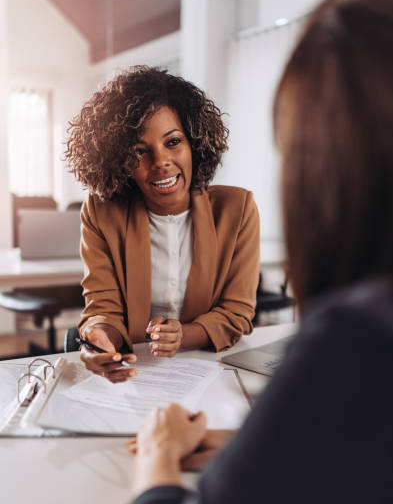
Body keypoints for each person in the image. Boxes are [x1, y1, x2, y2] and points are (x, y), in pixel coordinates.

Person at [120, 0, 393, 504]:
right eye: (141, 151)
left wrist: (159, 456)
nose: (160, 162)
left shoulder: (361, 341)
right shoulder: (108, 216)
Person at [65, 67, 260, 382]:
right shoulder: (101, 213)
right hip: (134, 375)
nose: (160, 162)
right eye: (140, 151)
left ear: (194, 143)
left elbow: (237, 313)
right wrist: (98, 339)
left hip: (212, 370)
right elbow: (103, 307)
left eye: (173, 142)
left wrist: (184, 335)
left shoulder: (237, 210)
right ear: (118, 160)